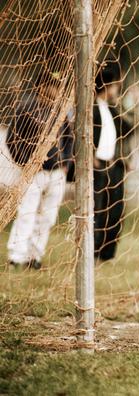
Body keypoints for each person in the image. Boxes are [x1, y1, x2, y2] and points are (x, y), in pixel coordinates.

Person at [6, 72, 74, 269]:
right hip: (34, 172)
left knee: (48, 216)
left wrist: (65, 164)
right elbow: (12, 139)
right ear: (42, 86)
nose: (56, 89)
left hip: (56, 172)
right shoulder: (26, 107)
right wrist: (25, 163)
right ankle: (16, 256)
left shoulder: (60, 111)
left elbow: (69, 138)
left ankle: (34, 256)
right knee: (27, 212)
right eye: (52, 85)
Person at [93, 68, 133, 262]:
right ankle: (92, 250)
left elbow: (129, 128)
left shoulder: (111, 109)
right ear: (108, 85)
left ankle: (107, 253)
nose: (118, 89)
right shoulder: (91, 108)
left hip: (114, 165)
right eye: (116, 85)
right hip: (97, 165)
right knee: (97, 211)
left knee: (115, 210)